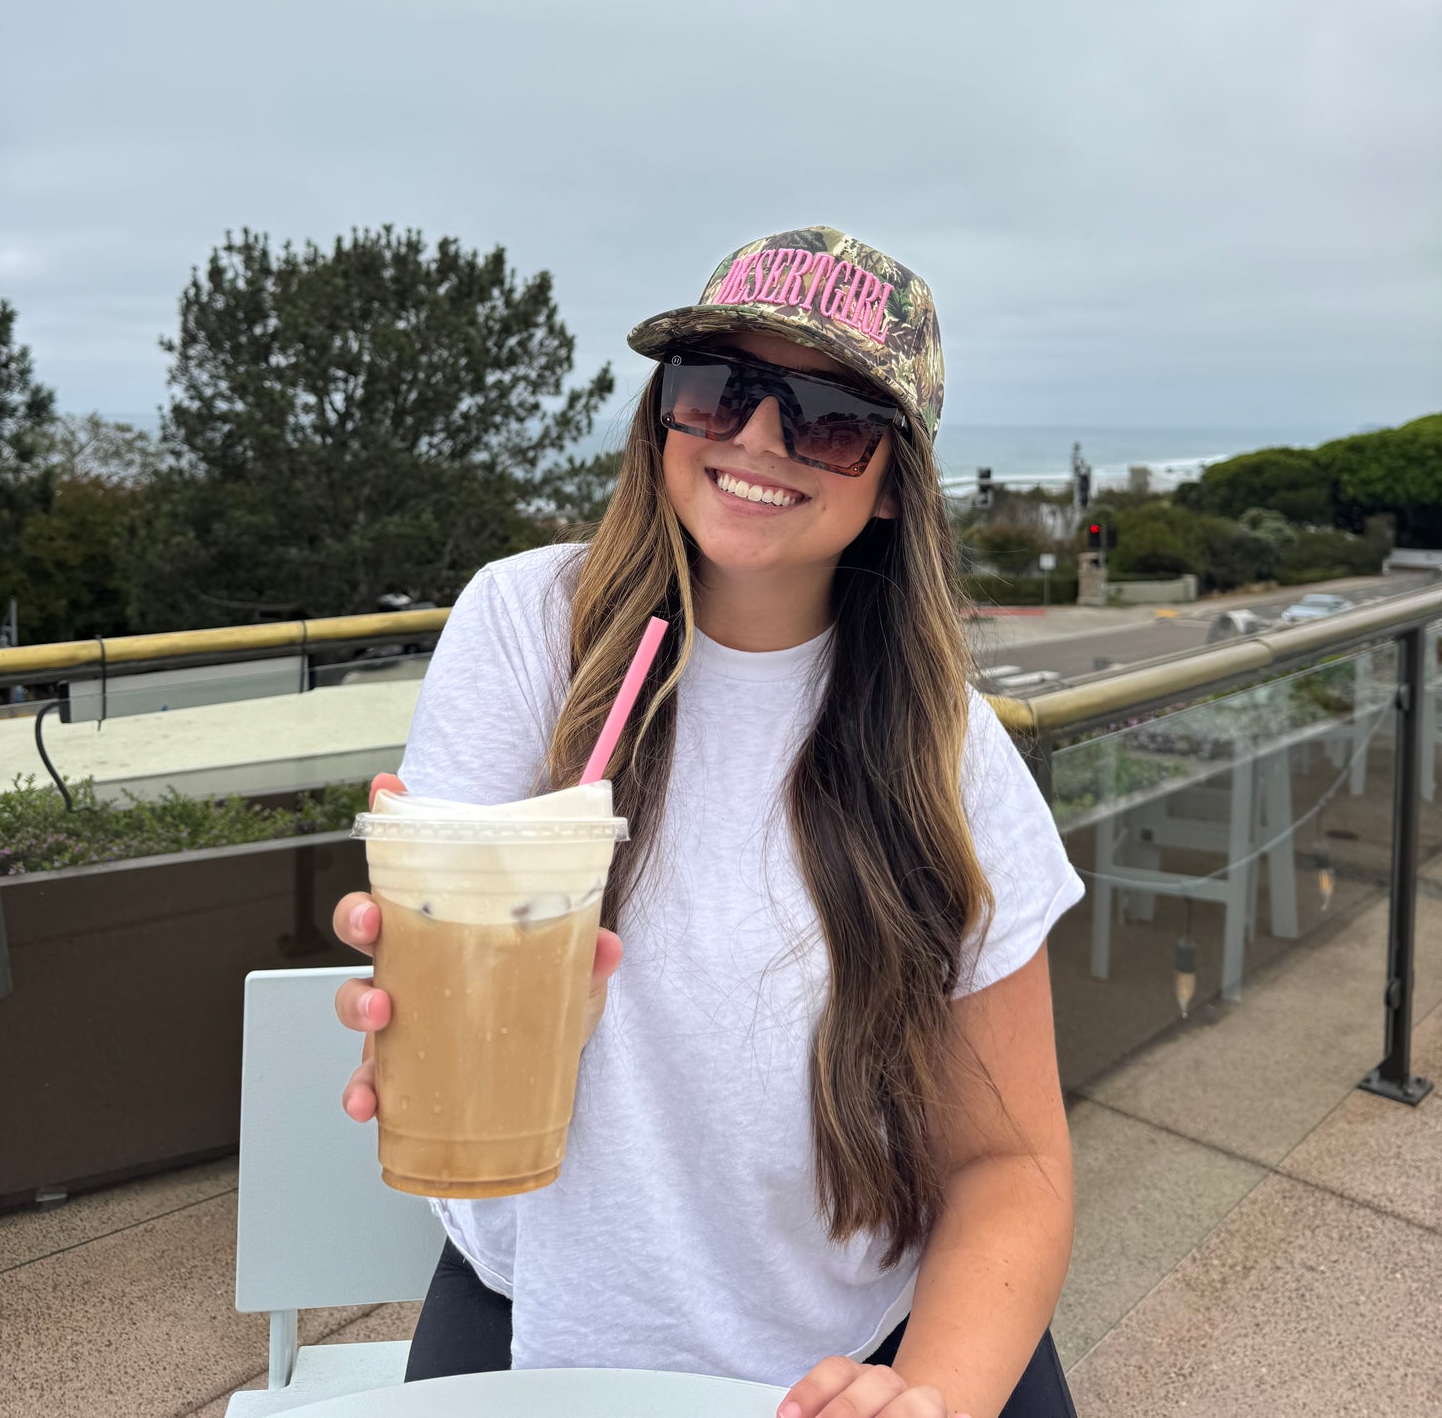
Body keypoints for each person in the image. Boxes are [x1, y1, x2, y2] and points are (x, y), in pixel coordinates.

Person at [334, 225, 1085, 1418]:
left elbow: (1013, 1160)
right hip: (533, 1315)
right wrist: (416, 992)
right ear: (664, 415)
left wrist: (923, 1391)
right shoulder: (527, 626)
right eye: (718, 387)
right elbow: (437, 988)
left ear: (892, 482)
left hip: (865, 1341)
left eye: (829, 415)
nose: (756, 437)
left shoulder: (944, 750)